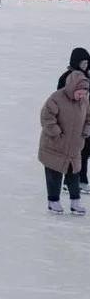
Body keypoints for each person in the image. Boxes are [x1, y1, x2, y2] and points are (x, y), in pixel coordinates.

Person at [38, 71, 90, 214]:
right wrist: (56, 133)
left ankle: (75, 203)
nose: (82, 96)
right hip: (54, 145)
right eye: (79, 93)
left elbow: (88, 118)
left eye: (84, 93)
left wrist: (86, 132)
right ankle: (53, 202)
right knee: (54, 175)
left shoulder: (85, 101)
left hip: (74, 146)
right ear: (72, 88)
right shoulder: (56, 98)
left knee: (74, 174)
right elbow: (46, 117)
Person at [57, 48, 90, 194]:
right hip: (70, 121)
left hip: (85, 120)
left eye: (87, 63)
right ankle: (72, 182)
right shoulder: (66, 77)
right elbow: (60, 98)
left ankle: (80, 180)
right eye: (83, 62)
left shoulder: (86, 77)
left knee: (85, 150)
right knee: (75, 152)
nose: (85, 65)